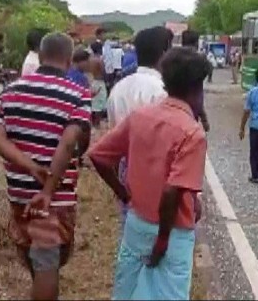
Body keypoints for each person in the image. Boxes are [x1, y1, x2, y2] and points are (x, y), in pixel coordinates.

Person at [87, 47, 210, 300]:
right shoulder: (192, 132)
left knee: (128, 290)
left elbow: (98, 156)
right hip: (172, 232)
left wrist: (123, 193)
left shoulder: (140, 116)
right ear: (196, 88)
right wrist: (163, 240)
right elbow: (171, 190)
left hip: (136, 221)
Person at [0, 32, 91, 301]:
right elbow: (69, 144)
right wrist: (47, 187)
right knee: (47, 264)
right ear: (69, 60)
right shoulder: (77, 94)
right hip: (53, 197)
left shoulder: (10, 92)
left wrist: (29, 166)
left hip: (19, 193)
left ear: (41, 56)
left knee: (36, 256)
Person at [106, 26, 173, 230]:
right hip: (156, 170)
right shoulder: (162, 90)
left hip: (127, 167)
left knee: (132, 231)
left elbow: (112, 140)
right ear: (164, 53)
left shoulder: (119, 88)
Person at [181, 30, 210, 132]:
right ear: (196, 43)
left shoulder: (173, 61)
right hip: (190, 115)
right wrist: (204, 119)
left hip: (176, 114)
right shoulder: (199, 62)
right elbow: (196, 95)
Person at [89, 42, 107, 128]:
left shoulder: (89, 60)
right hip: (99, 82)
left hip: (92, 81)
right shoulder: (99, 60)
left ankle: (93, 123)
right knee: (100, 104)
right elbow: (104, 72)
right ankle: (97, 124)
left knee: (93, 103)